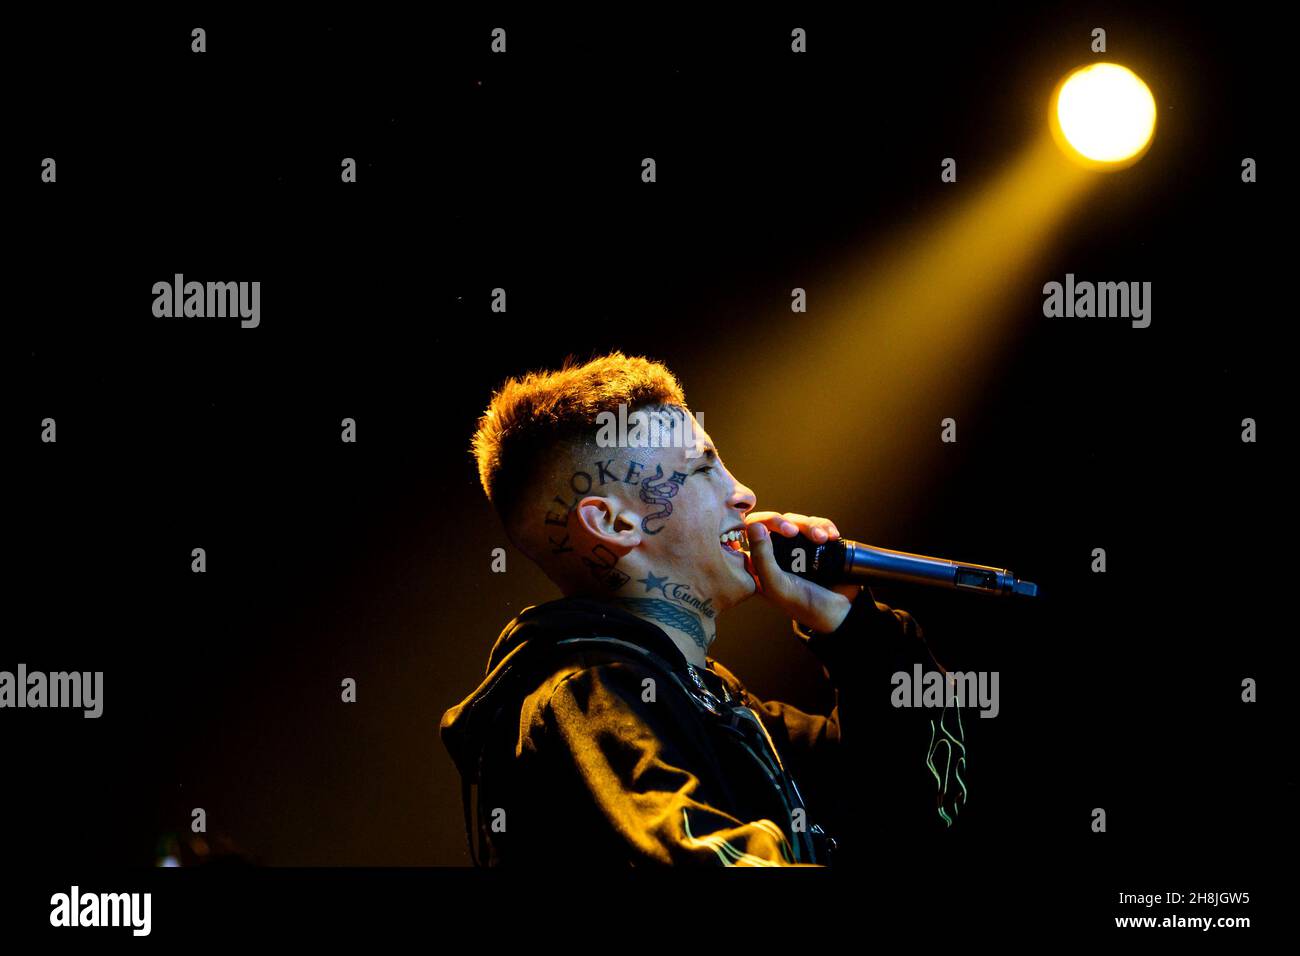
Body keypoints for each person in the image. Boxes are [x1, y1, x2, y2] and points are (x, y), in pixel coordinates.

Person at [440, 352, 966, 866]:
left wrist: (852, 628)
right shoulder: (590, 698)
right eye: (703, 468)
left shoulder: (719, 707)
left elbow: (922, 801)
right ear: (615, 524)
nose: (744, 494)